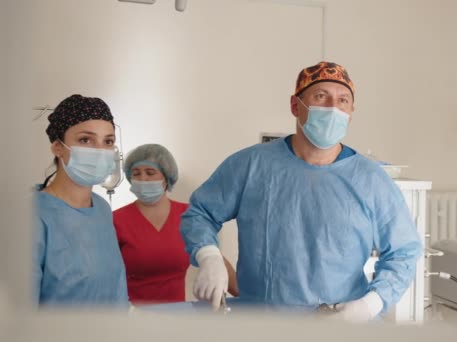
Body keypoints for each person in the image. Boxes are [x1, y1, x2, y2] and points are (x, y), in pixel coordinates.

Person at [180, 61, 422, 321]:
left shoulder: (371, 179)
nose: (333, 108)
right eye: (321, 97)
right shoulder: (251, 165)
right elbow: (200, 213)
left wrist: (371, 304)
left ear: (351, 111)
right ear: (296, 106)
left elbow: (404, 252)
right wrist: (209, 256)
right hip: (264, 323)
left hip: (341, 326)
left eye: (343, 100)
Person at [33, 94, 128, 307]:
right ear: (58, 147)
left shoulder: (102, 208)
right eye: (86, 140)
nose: (100, 151)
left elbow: (114, 286)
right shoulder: (32, 215)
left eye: (108, 141)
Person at [113, 144, 239, 304]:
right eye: (136, 173)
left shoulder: (189, 216)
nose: (142, 179)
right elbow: (105, 274)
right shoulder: (116, 220)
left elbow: (212, 257)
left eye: (150, 172)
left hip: (176, 315)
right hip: (131, 314)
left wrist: (246, 296)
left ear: (167, 177)